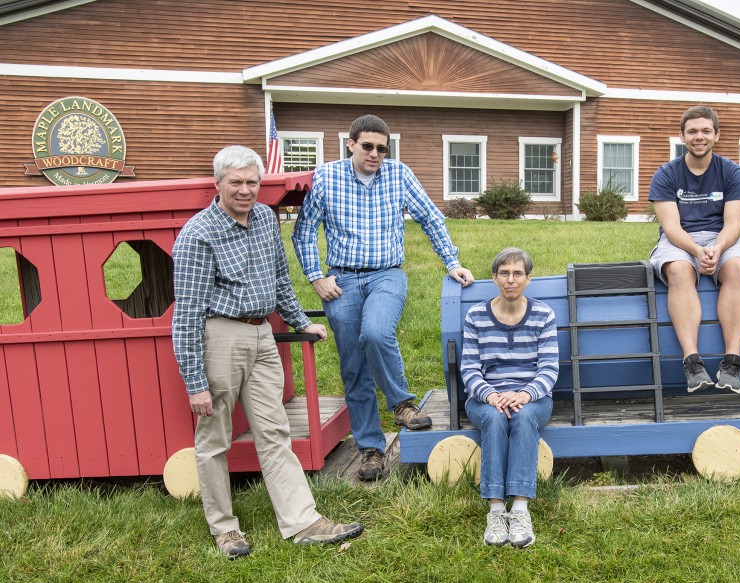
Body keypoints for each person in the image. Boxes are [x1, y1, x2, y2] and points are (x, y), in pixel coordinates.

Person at [172, 145, 364, 559]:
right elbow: (186, 313)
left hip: (262, 336)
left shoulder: (263, 218)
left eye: (252, 182)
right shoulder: (198, 234)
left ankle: (302, 521)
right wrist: (194, 382)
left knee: (274, 430)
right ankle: (224, 529)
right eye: (236, 182)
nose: (245, 190)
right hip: (220, 336)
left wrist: (300, 322)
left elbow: (279, 279)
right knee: (214, 438)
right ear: (218, 183)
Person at [293, 114, 475, 482]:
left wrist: (452, 262)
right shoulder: (326, 177)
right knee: (353, 366)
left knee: (376, 332)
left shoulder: (399, 174)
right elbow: (304, 231)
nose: (375, 154)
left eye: (381, 148)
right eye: (367, 146)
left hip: (387, 274)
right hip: (341, 279)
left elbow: (431, 218)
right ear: (351, 144)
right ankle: (371, 450)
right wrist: (316, 277)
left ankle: (401, 403)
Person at [648, 105, 740, 394]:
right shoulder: (666, 174)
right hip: (681, 240)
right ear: (682, 136)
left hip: (723, 237)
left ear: (717, 135)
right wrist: (697, 251)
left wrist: (718, 248)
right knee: (680, 270)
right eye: (692, 131)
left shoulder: (732, 172)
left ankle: (732, 363)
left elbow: (734, 224)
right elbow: (671, 228)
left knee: (738, 268)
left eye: (706, 131)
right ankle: (692, 362)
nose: (699, 136)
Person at [461, 248, 559, 548]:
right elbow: (468, 369)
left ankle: (519, 510)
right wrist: (491, 396)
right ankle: (494, 511)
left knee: (525, 416)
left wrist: (524, 394)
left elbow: (549, 368)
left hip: (533, 397)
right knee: (492, 417)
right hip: (485, 398)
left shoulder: (543, 315)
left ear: (528, 279)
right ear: (494, 278)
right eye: (504, 273)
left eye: (518, 273)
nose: (511, 280)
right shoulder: (476, 315)